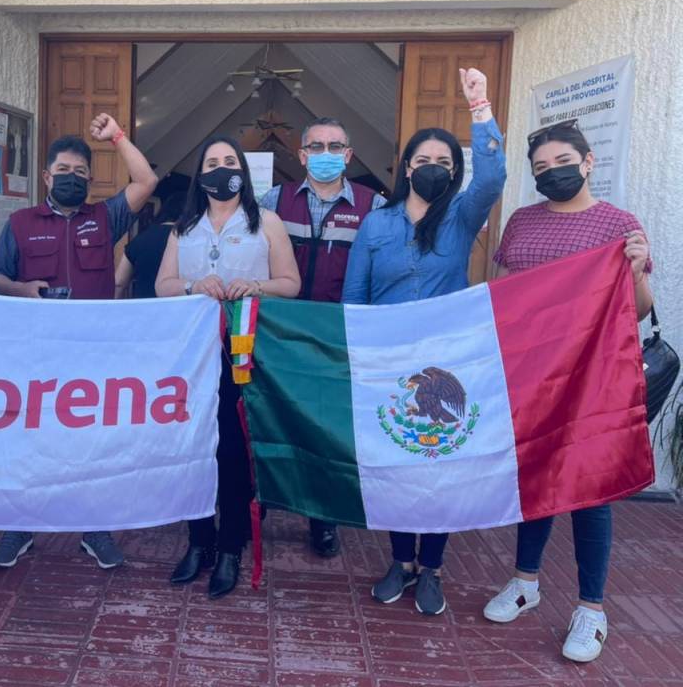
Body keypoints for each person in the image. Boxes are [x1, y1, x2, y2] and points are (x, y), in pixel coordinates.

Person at [482, 119, 653, 663]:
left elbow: (638, 309)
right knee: (533, 473)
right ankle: (525, 581)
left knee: (589, 486)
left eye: (561, 163)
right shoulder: (522, 221)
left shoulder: (619, 225)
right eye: (541, 168)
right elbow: (504, 290)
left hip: (589, 378)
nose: (552, 173)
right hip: (530, 372)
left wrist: (636, 270)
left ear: (587, 162)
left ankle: (591, 609)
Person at [343, 68, 506, 616]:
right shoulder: (376, 224)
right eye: (423, 159)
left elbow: (492, 179)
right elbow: (355, 294)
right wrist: (355, 354)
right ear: (407, 168)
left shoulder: (461, 216)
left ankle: (432, 566)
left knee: (439, 463)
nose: (432, 167)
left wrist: (479, 108)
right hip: (388, 362)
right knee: (395, 461)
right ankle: (401, 561)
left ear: (452, 171)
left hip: (446, 363)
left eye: (443, 161)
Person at [0, 112, 158, 570]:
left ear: (90, 180)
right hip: (36, 354)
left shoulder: (104, 218)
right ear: (46, 176)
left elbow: (146, 181)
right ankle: (20, 525)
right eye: (62, 170)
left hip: (92, 355)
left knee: (91, 443)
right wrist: (21, 289)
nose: (71, 178)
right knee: (30, 440)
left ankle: (94, 527)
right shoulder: (21, 223)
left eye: (80, 172)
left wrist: (116, 136)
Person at [155, 136, 300, 598]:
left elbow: (291, 283)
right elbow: (162, 284)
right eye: (212, 162)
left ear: (243, 171)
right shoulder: (184, 226)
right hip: (192, 357)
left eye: (230, 161)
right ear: (200, 174)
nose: (222, 169)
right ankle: (200, 540)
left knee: (234, 452)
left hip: (243, 354)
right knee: (194, 448)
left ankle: (231, 547)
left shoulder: (266, 222)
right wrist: (194, 285)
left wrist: (254, 285)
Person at [259, 117, 386, 558]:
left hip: (337, 335)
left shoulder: (373, 206)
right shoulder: (273, 200)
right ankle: (263, 501)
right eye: (316, 146)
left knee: (328, 429)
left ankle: (323, 518)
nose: (325, 154)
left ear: (348, 155)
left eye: (335, 146)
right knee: (271, 415)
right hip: (280, 332)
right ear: (301, 154)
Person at [115, 190, 187, 299]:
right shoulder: (190, 240)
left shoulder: (140, 238)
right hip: (177, 306)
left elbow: (119, 282)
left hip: (143, 306)